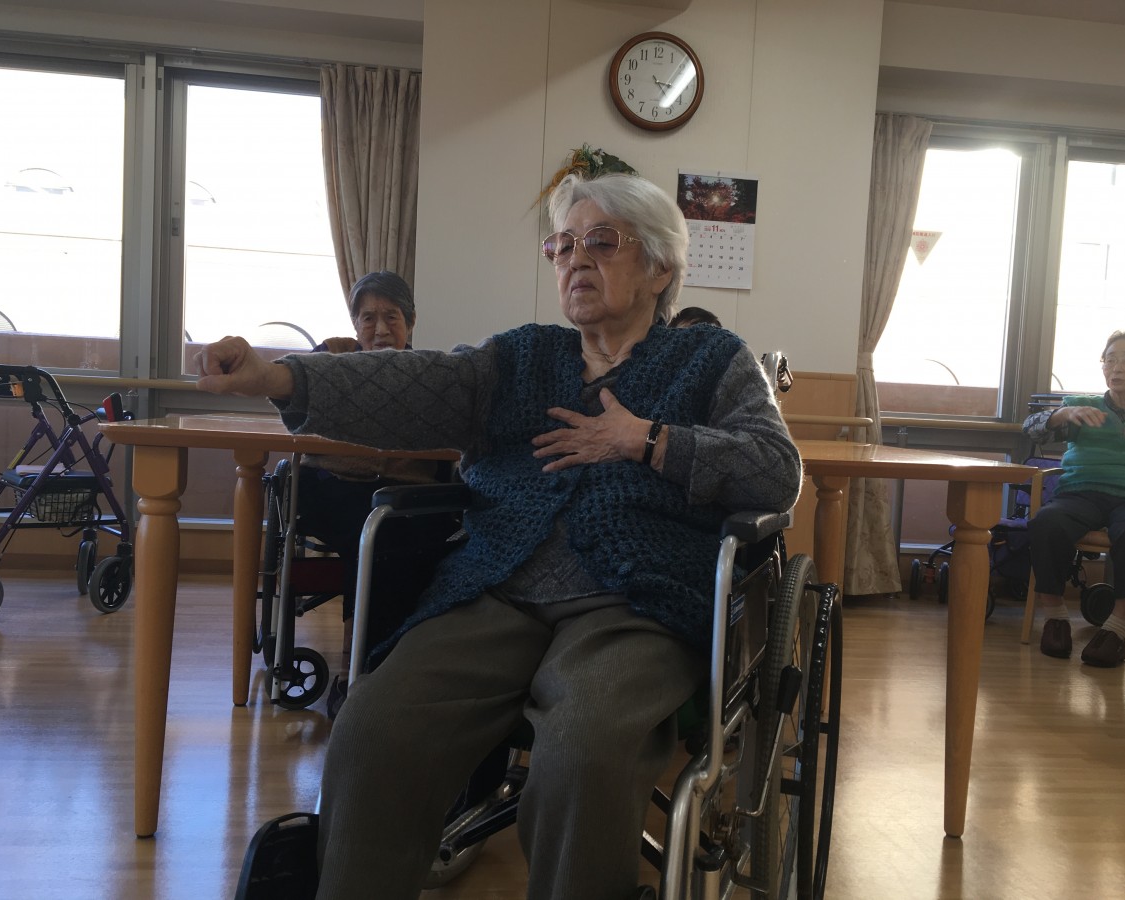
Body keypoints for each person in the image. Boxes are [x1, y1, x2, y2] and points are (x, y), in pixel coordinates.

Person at [196, 172, 802, 900]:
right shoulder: (519, 359)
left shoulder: (712, 360)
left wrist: (649, 440)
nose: (575, 259)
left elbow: (775, 471)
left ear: (660, 267)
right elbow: (412, 385)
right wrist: (279, 379)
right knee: (372, 730)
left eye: (601, 242)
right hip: (495, 590)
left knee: (584, 750)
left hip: (637, 605)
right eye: (562, 245)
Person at [292, 271, 454, 718]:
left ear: (411, 323)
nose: (380, 329)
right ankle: (361, 672)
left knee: (404, 536)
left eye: (391, 317)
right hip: (335, 486)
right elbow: (296, 400)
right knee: (374, 533)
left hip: (405, 495)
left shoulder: (432, 375)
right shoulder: (332, 358)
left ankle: (386, 671)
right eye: (368, 318)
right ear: (354, 323)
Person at [1023, 329, 1125, 667]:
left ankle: (1116, 629)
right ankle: (1055, 618)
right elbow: (1031, 427)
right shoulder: (1082, 406)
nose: (1116, 367)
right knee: (1046, 522)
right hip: (1081, 492)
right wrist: (1062, 415)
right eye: (1109, 360)